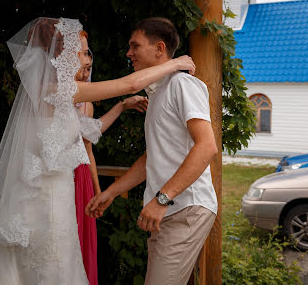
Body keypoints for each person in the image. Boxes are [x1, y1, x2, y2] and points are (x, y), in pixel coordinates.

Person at [0, 17, 195, 285]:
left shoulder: (61, 99)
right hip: (45, 203)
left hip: (61, 198)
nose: (86, 59)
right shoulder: (56, 90)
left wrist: (121, 107)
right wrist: (176, 63)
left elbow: (88, 132)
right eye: (82, 52)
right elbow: (127, 83)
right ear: (64, 56)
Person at [86, 17, 218, 285]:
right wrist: (110, 192)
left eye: (135, 46)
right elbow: (152, 158)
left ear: (159, 49)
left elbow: (207, 147)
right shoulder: (157, 94)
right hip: (168, 209)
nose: (128, 53)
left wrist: (161, 199)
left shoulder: (182, 84)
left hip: (184, 207)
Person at [73, 51, 148, 285]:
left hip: (81, 176)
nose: (86, 74)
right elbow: (130, 83)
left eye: (89, 69)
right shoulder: (53, 92)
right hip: (58, 176)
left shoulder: (86, 105)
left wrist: (98, 192)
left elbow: (88, 149)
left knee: (80, 239)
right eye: (82, 67)